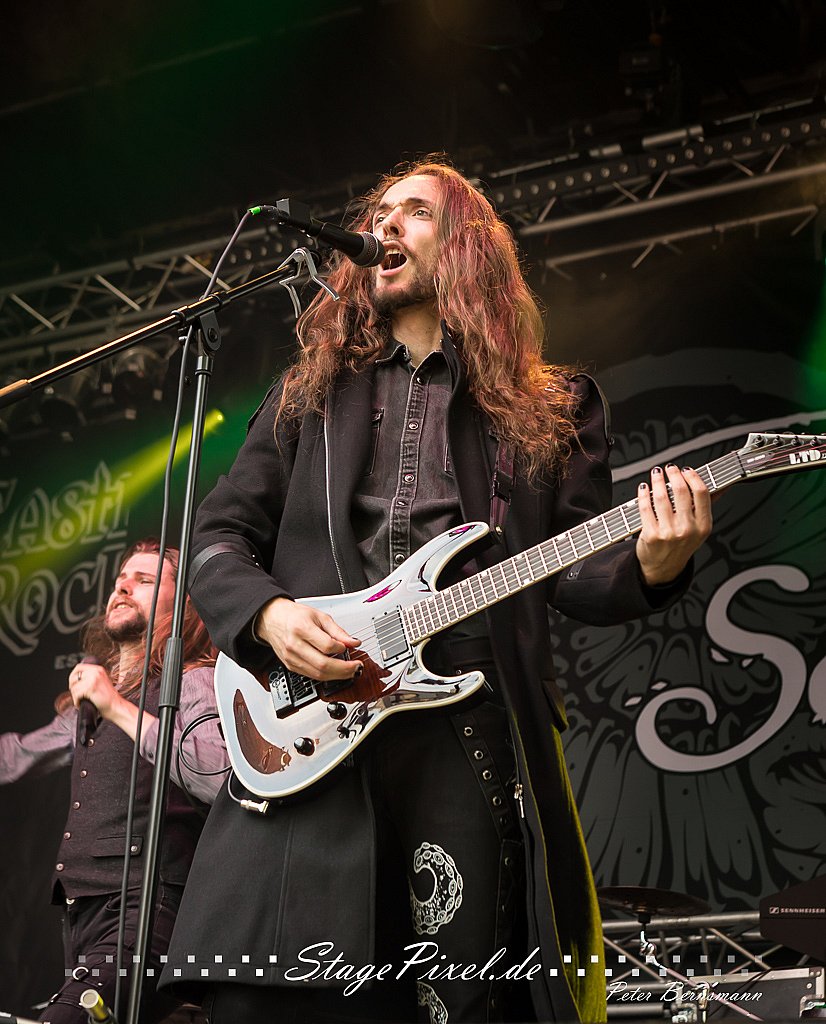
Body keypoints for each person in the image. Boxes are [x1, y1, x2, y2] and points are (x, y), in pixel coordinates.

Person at [160, 158, 713, 1023]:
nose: (383, 224)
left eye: (414, 211)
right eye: (378, 211)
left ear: (465, 247)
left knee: (460, 994)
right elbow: (218, 537)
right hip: (315, 716)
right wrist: (268, 615)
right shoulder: (309, 394)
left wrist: (657, 563)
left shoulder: (550, 405)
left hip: (466, 723)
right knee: (275, 996)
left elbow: (572, 573)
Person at [0, 539, 226, 1023]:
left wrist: (116, 706)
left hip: (146, 907)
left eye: (144, 581)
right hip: (82, 913)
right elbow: (15, 756)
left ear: (183, 606)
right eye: (121, 579)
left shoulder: (193, 680)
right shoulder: (97, 701)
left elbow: (213, 772)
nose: (122, 588)